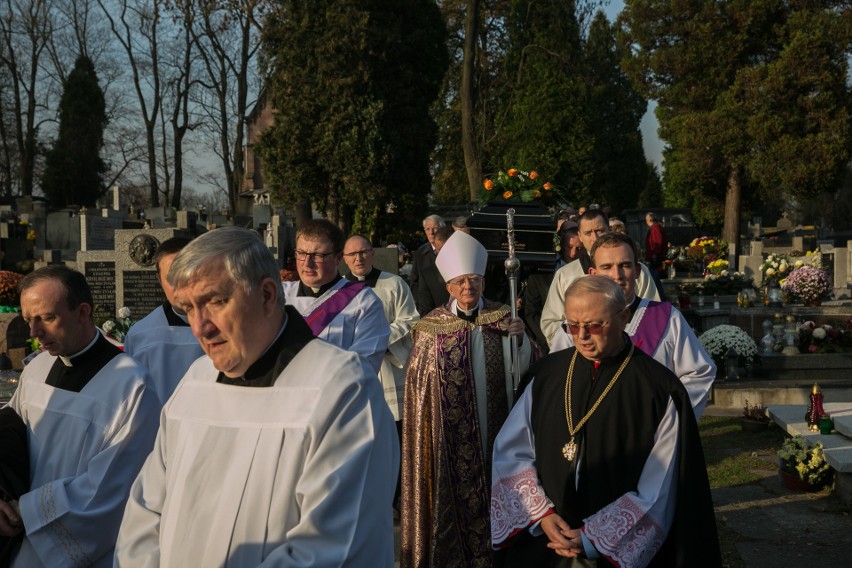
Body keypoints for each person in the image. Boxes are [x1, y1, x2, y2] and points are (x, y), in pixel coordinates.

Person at [115, 226, 399, 567]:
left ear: (266, 295)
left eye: (216, 301)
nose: (200, 327)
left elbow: (329, 547)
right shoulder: (194, 382)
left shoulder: (343, 391)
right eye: (189, 308)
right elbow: (144, 512)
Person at [490, 276, 720, 567]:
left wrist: (593, 538)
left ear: (623, 317)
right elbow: (512, 451)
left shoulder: (658, 390)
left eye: (595, 325)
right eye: (572, 326)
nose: (582, 336)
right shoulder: (545, 376)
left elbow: (659, 487)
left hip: (614, 552)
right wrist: (542, 515)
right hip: (545, 541)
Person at [1, 266, 159, 567]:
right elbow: (11, 439)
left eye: (47, 318)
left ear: (83, 312)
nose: (34, 333)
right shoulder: (37, 369)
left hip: (78, 545)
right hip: (20, 535)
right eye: (28, 320)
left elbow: (113, 485)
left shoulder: (130, 384)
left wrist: (28, 511)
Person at [401, 230, 535, 568]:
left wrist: (520, 343)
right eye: (460, 282)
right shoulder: (431, 329)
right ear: (448, 287)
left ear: (483, 282)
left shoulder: (503, 319)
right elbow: (418, 393)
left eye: (473, 280)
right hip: (447, 444)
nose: (467, 288)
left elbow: (528, 371)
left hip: (497, 435)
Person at [551, 232, 716, 418]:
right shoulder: (574, 326)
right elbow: (557, 377)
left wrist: (667, 415)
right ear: (593, 274)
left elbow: (700, 372)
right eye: (607, 267)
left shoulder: (668, 318)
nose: (617, 275)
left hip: (652, 434)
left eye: (625, 266)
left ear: (637, 271)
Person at [343, 234, 419, 505]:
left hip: (389, 368)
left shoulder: (393, 283)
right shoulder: (339, 292)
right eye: (352, 255)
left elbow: (411, 319)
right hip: (356, 372)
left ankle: (398, 497)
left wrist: (379, 341)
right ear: (344, 259)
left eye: (363, 252)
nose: (358, 259)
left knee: (394, 437)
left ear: (372, 254)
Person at [281, 219, 389, 374]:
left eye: (318, 255)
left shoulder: (364, 302)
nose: (307, 264)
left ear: (338, 258)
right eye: (302, 253)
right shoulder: (279, 296)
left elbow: (362, 367)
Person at [540, 209, 661, 347]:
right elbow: (551, 322)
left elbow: (652, 312)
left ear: (609, 230)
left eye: (599, 231)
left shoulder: (636, 270)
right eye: (588, 233)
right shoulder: (565, 275)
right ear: (579, 235)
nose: (595, 238)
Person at [123, 236, 205, 407]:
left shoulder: (228, 324)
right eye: (170, 279)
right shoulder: (141, 336)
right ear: (159, 281)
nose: (179, 286)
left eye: (185, 275)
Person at [409, 214, 450, 315]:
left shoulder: (452, 250)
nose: (431, 233)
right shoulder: (420, 253)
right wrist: (420, 303)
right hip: (427, 308)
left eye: (434, 228)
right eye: (427, 229)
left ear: (442, 229)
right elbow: (414, 282)